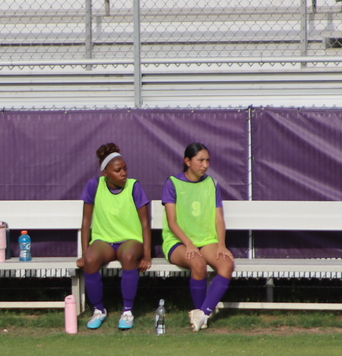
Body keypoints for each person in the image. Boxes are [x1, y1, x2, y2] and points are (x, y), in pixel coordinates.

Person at [76, 143, 152, 331]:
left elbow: (145, 223)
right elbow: (86, 222)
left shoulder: (134, 186)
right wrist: (85, 254)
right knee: (91, 259)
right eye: (118, 170)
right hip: (104, 241)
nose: (123, 173)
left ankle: (127, 311)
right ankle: (98, 310)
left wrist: (147, 255)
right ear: (106, 173)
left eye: (125, 168)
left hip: (130, 241)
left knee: (127, 257)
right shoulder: (94, 185)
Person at [162, 142, 234, 332]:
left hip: (206, 240)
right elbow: (172, 222)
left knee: (227, 264)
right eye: (200, 160)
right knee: (198, 263)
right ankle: (202, 315)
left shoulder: (212, 184)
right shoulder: (173, 183)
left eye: (207, 160)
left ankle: (202, 314)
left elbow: (219, 218)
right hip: (177, 241)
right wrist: (188, 244)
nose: (205, 165)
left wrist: (221, 244)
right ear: (187, 161)